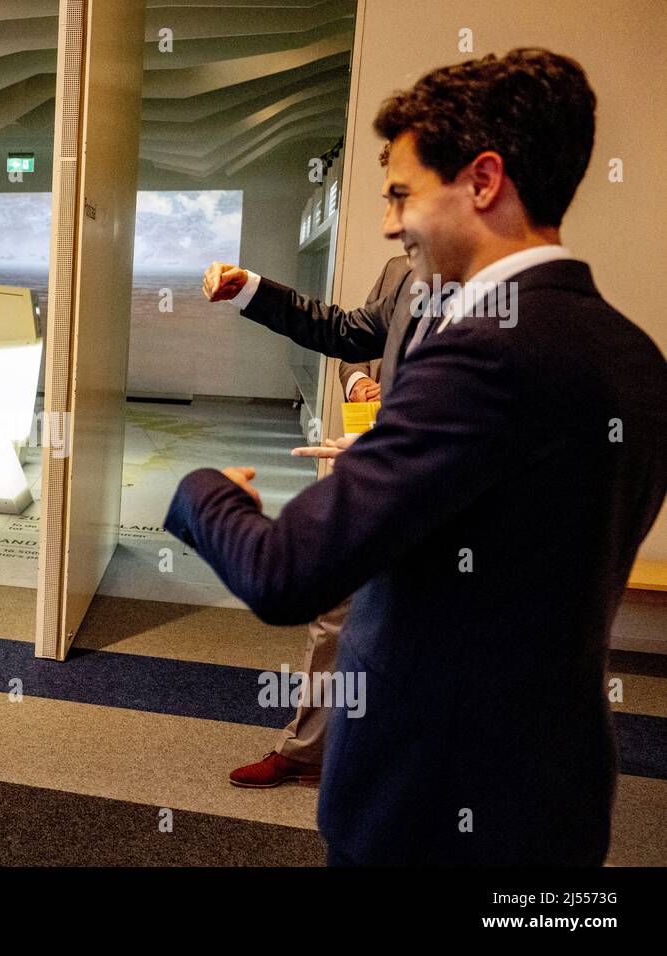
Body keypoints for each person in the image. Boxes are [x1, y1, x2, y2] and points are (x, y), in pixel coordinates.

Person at [165, 48, 667, 864]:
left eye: (400, 194)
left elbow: (284, 573)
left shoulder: (486, 354)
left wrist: (203, 490)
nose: (391, 223)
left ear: (483, 180)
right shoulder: (632, 353)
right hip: (555, 793)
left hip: (433, 801)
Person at [216, 257, 409, 788]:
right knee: (336, 611)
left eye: (405, 194)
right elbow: (351, 336)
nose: (394, 220)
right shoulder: (401, 271)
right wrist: (249, 290)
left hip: (450, 499)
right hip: (378, 472)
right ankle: (307, 752)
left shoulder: (508, 292)